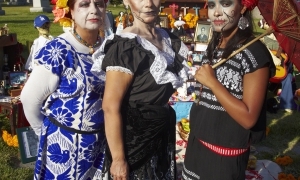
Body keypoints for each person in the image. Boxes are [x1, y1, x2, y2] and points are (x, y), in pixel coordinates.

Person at [91, 0, 189, 178]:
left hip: (159, 136)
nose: (149, 4)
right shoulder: (125, 46)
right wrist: (119, 159)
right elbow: (110, 107)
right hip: (134, 144)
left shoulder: (168, 39)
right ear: (127, 2)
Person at [182, 0, 275, 179]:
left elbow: (248, 118)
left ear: (243, 7)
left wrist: (213, 83)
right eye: (211, 5)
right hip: (196, 146)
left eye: (225, 3)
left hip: (222, 158)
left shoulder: (255, 54)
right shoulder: (215, 45)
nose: (216, 12)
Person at [20, 0, 111, 178]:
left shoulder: (108, 48)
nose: (94, 10)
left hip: (98, 147)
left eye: (99, 4)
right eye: (84, 4)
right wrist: (46, 133)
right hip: (64, 149)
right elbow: (29, 99)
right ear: (71, 11)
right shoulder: (58, 49)